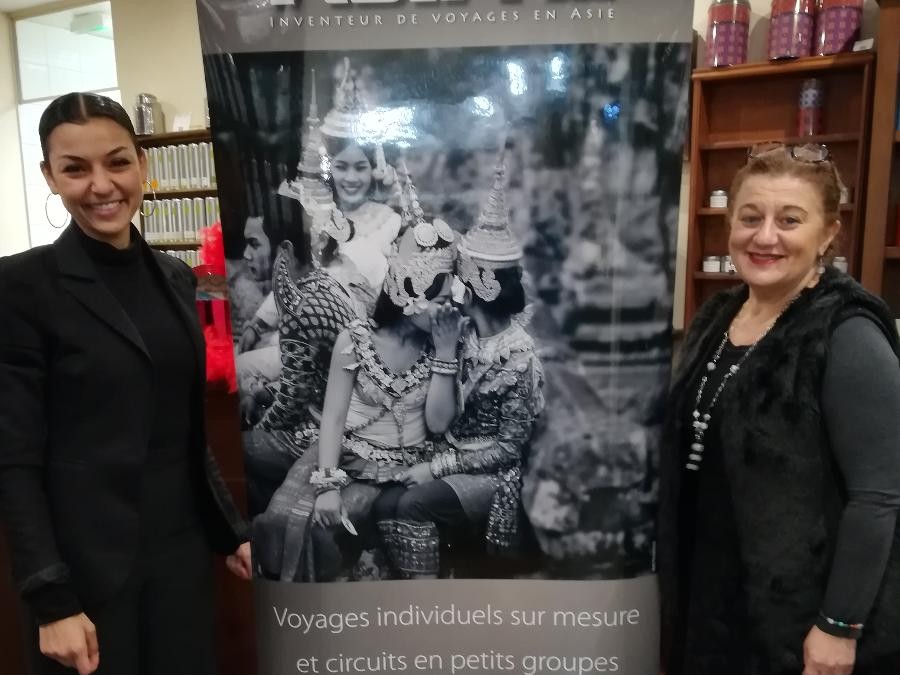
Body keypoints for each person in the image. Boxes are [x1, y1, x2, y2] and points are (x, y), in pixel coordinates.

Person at [0, 92, 252, 675]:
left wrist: (230, 530)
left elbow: (184, 430)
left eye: (116, 162)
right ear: (50, 177)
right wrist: (48, 596)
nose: (101, 185)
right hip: (85, 573)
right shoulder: (22, 286)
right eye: (75, 169)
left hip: (180, 556)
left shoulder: (175, 276)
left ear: (142, 164)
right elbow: (13, 459)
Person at [657, 143, 900, 675]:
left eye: (789, 220)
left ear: (828, 233)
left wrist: (838, 626)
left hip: (797, 623)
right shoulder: (716, 315)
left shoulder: (847, 332)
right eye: (751, 217)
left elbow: (878, 497)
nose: (765, 237)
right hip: (709, 602)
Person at [252, 218, 465, 582]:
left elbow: (438, 422)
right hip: (339, 454)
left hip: (395, 468)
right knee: (280, 518)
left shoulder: (442, 344)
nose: (449, 312)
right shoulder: (355, 339)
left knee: (320, 529)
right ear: (410, 296)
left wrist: (446, 354)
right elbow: (334, 417)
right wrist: (327, 485)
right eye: (441, 301)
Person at [376, 159, 545, 577]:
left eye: (457, 280)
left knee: (414, 504)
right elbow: (439, 420)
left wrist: (436, 468)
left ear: (471, 289)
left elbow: (508, 449)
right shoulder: (459, 331)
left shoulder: (521, 357)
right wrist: (446, 349)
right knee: (386, 500)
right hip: (445, 449)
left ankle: (430, 599)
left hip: (495, 472)